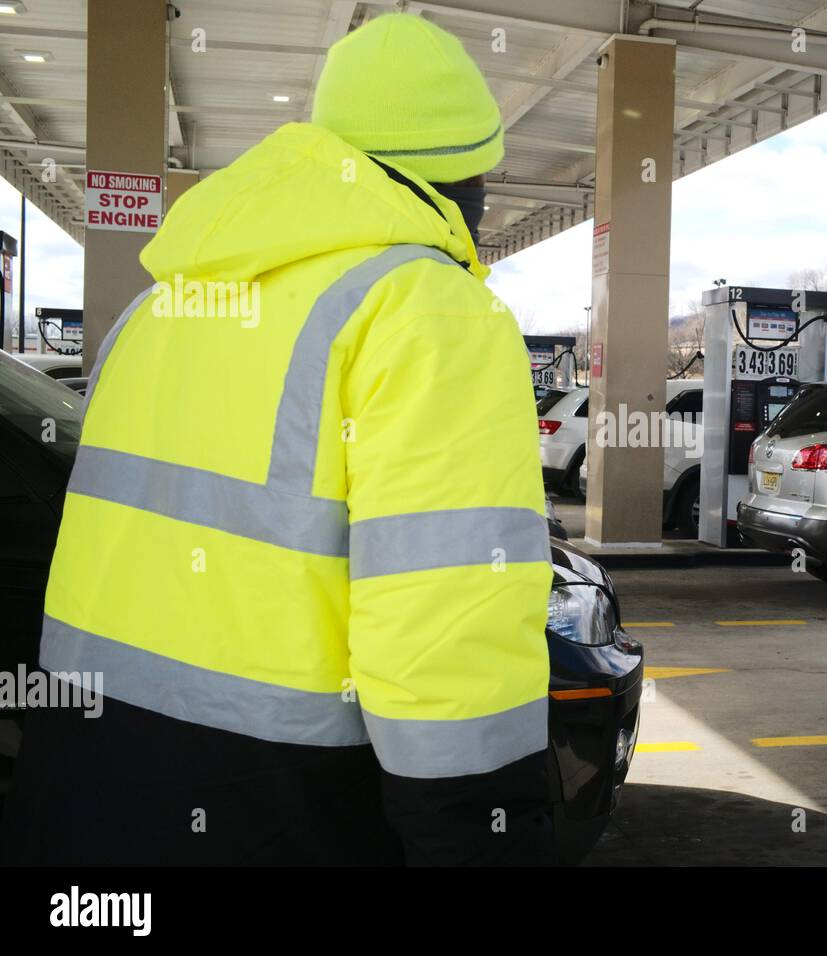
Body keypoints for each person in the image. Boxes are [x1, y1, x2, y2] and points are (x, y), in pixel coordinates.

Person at [0, 14, 555, 866]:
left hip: (83, 769)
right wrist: (482, 829)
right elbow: (444, 610)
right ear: (462, 176)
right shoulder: (428, 310)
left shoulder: (161, 306)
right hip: (280, 799)